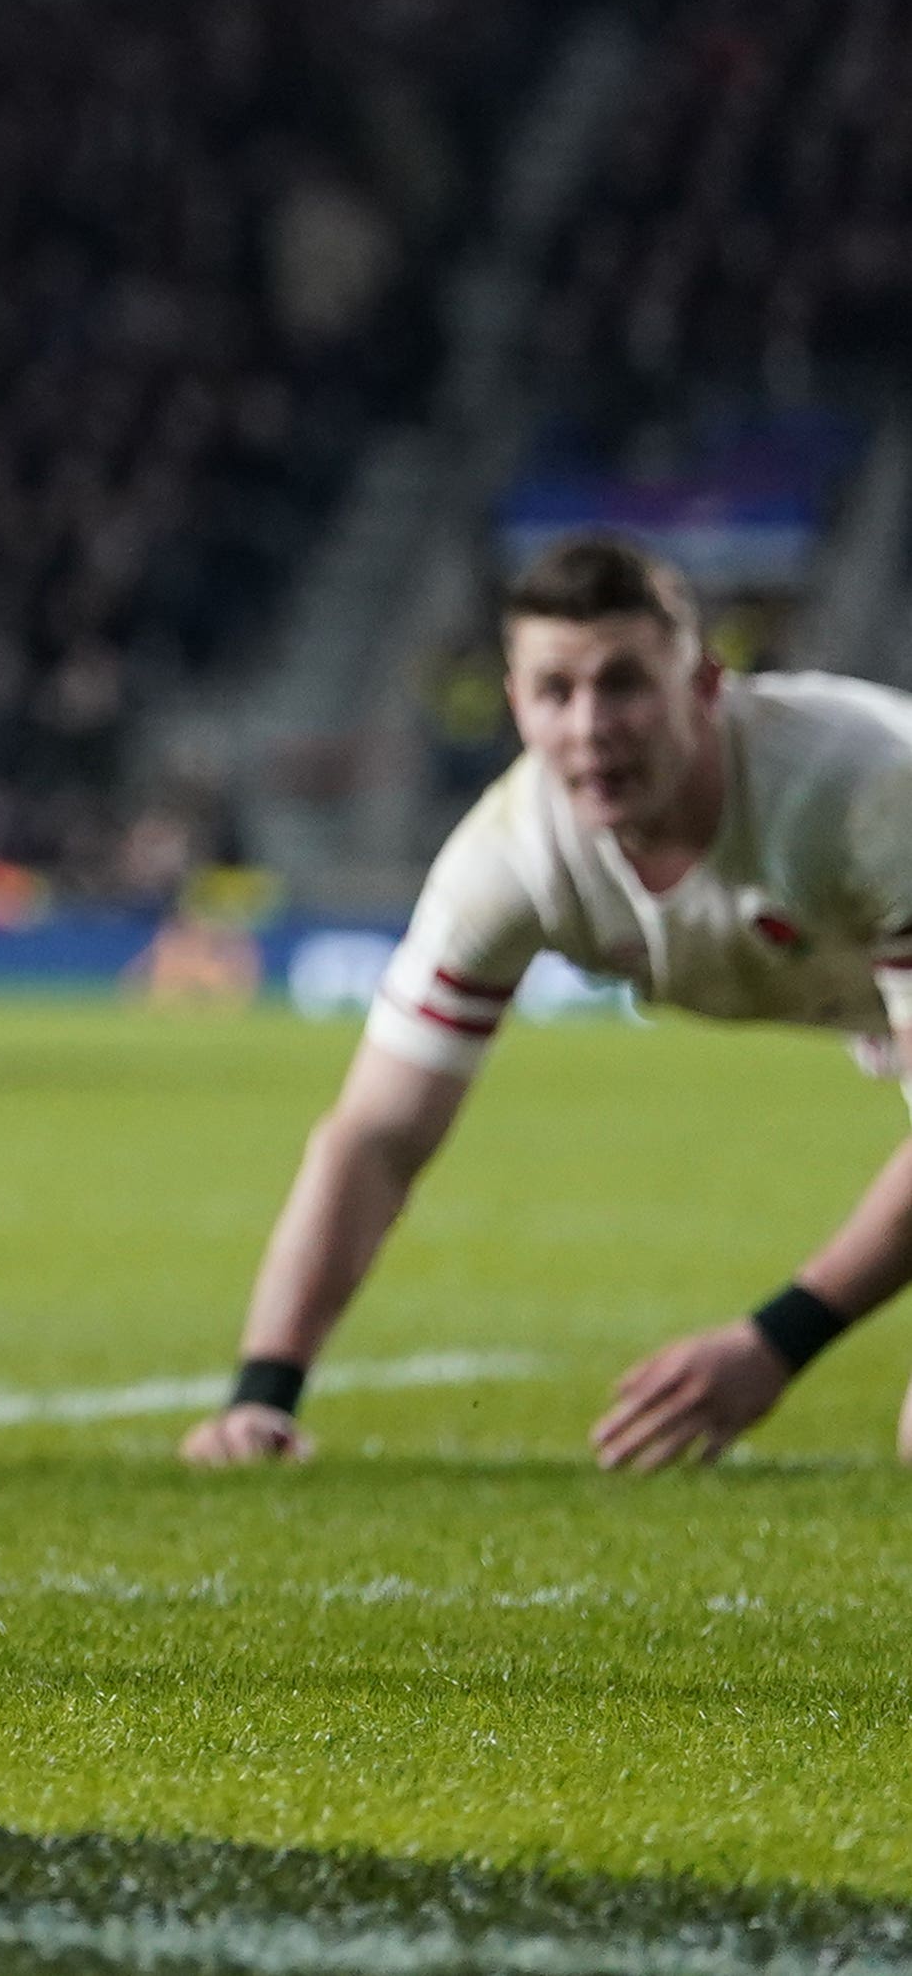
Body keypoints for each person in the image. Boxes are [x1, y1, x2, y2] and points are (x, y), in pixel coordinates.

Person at [183, 536, 912, 1475]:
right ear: (514, 701)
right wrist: (262, 1395)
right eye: (554, 691)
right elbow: (376, 1137)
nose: (591, 726)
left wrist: (777, 1338)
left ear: (706, 682)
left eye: (625, 684)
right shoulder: (512, 858)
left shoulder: (860, 795)